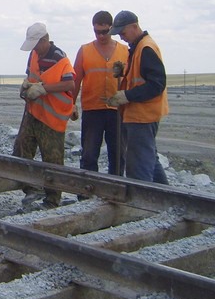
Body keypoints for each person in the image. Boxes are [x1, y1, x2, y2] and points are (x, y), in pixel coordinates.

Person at [13, 22, 75, 210]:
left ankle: (52, 200)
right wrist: (26, 87)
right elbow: (31, 76)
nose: (34, 50)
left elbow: (69, 84)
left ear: (45, 40)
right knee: (22, 148)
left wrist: (43, 89)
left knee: (52, 159)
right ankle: (32, 189)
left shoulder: (59, 57)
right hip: (33, 112)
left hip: (52, 118)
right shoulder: (34, 54)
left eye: (36, 45)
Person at [106, 11, 169, 183]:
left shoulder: (146, 48)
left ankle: (141, 197)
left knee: (138, 166)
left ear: (134, 26)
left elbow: (156, 84)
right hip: (141, 115)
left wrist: (127, 95)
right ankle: (166, 195)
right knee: (149, 159)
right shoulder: (138, 46)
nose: (121, 37)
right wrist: (124, 71)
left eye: (123, 32)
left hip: (143, 116)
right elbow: (139, 75)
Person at [72, 11, 128, 176]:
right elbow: (76, 80)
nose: (101, 36)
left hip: (117, 111)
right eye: (97, 32)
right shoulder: (85, 51)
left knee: (117, 154)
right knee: (89, 154)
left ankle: (115, 186)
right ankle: (87, 186)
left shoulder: (124, 51)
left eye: (104, 31)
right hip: (92, 110)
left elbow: (130, 80)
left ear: (112, 28)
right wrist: (71, 104)